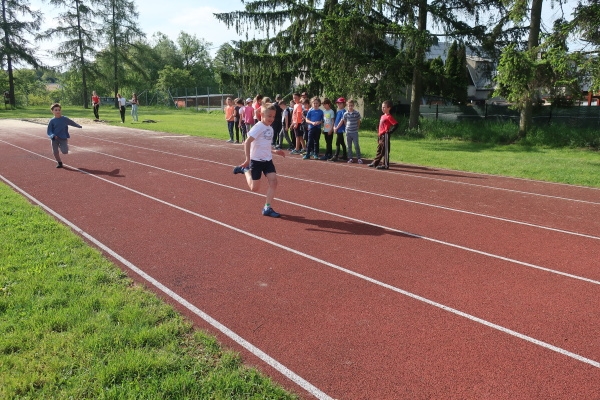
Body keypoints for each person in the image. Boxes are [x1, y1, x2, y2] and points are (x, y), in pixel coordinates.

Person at [232, 103, 286, 218]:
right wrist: (248, 159)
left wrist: (275, 151)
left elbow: (265, 145)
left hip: (267, 160)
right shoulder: (258, 127)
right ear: (262, 115)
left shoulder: (270, 128)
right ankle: (245, 170)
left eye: (273, 116)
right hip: (256, 161)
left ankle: (267, 207)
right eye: (269, 116)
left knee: (274, 182)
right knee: (254, 188)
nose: (271, 119)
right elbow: (247, 142)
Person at [47, 103, 82, 168]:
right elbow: (49, 131)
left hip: (63, 137)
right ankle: (59, 162)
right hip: (54, 138)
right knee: (55, 152)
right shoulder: (52, 121)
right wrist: (52, 135)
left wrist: (78, 126)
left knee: (65, 152)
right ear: (52, 111)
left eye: (59, 110)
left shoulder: (64, 119)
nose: (58, 111)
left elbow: (71, 122)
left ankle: (61, 146)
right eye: (56, 110)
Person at [369, 100, 399, 169]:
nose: (382, 108)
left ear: (389, 108)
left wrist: (390, 132)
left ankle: (385, 165)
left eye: (384, 107)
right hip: (380, 136)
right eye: (382, 107)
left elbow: (396, 124)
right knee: (379, 150)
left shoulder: (389, 116)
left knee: (384, 150)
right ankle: (375, 162)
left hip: (385, 135)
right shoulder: (382, 116)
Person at [335, 99, 362, 163]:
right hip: (348, 132)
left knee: (356, 145)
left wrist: (357, 127)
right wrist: (346, 128)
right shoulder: (345, 114)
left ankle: (359, 158)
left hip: (354, 132)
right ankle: (350, 158)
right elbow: (344, 121)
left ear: (353, 106)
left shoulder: (357, 113)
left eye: (351, 105)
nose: (350, 107)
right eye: (349, 106)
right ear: (347, 106)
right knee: (349, 146)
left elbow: (358, 121)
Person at [329, 97, 348, 162]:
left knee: (338, 142)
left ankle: (335, 156)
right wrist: (334, 126)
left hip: (340, 129)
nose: (339, 104)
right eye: (338, 103)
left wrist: (336, 128)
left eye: (340, 103)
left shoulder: (343, 111)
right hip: (337, 129)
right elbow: (336, 120)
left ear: (344, 104)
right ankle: (345, 155)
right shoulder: (338, 111)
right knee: (342, 142)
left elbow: (342, 121)